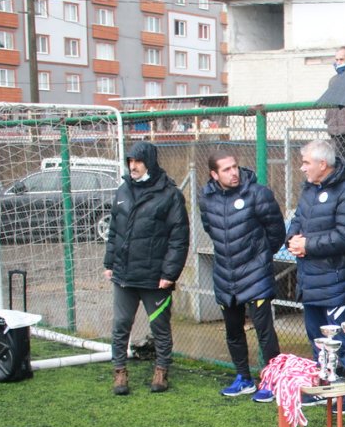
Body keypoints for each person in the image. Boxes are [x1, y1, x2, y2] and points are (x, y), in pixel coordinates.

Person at [287, 139, 345, 412]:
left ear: (323, 164)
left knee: (343, 341)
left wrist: (307, 245)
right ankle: (325, 388)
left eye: (306, 163)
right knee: (317, 338)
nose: (302, 168)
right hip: (309, 280)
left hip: (336, 280)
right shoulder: (309, 189)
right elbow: (297, 219)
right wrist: (292, 239)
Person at [105, 141, 189, 395]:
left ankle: (161, 370)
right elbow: (114, 231)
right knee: (120, 325)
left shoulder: (170, 195)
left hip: (155, 279)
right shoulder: (123, 191)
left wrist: (169, 274)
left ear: (149, 162)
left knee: (160, 328)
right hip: (124, 276)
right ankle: (119, 372)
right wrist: (109, 263)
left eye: (138, 161)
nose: (133, 166)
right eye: (130, 161)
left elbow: (179, 238)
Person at [199, 152, 285, 402]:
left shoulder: (258, 194)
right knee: (233, 330)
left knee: (264, 331)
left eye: (235, 167)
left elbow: (276, 231)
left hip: (256, 274)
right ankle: (243, 378)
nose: (233, 173)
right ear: (214, 174)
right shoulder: (207, 199)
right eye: (226, 169)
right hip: (225, 275)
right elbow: (210, 228)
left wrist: (259, 256)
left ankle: (271, 381)